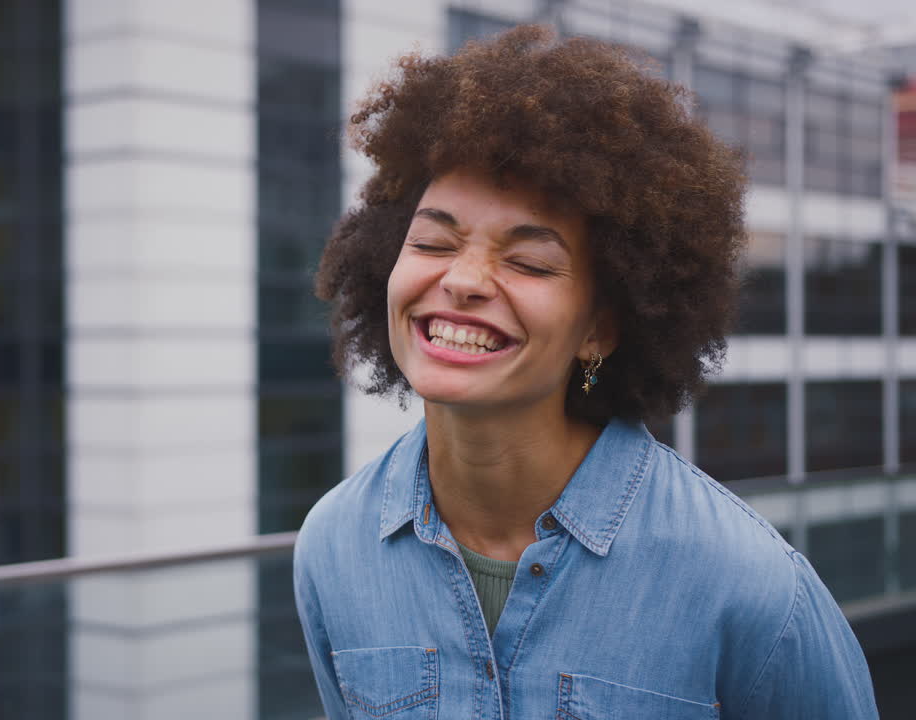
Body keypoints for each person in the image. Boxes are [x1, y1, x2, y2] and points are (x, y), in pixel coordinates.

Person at [294, 25, 878, 719]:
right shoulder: (332, 547)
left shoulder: (750, 587)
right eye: (432, 241)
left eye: (529, 262)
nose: (465, 279)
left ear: (600, 328)